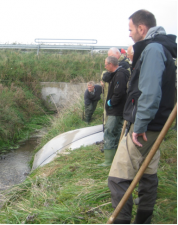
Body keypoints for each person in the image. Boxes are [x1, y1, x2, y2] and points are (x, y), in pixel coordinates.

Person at [108, 10, 176, 224]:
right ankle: (144, 220)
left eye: (130, 29)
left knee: (118, 177)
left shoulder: (154, 49)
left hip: (146, 126)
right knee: (147, 172)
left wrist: (139, 125)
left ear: (141, 28)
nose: (129, 34)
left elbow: (150, 91)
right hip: (156, 124)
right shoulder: (160, 48)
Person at [99, 56, 129, 167]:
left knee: (110, 131)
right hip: (117, 109)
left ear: (111, 64)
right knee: (116, 131)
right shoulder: (116, 74)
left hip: (116, 109)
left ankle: (109, 161)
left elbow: (119, 92)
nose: (105, 67)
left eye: (106, 65)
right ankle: (115, 156)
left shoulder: (120, 75)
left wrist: (111, 102)